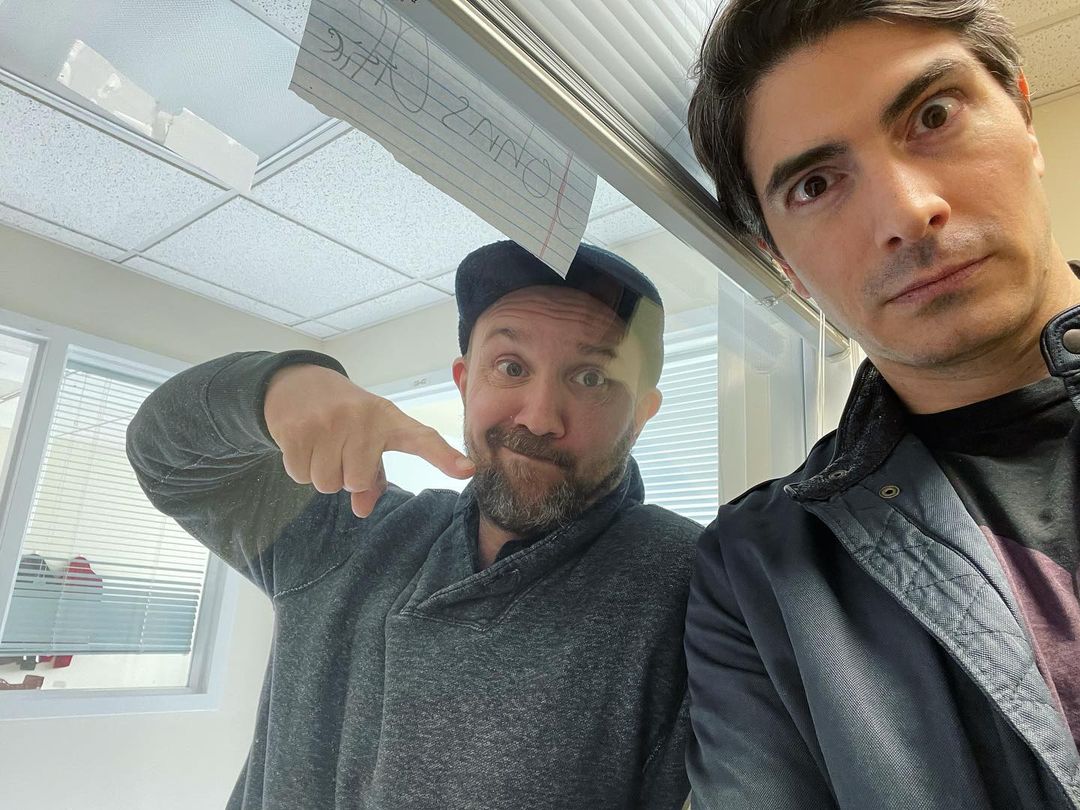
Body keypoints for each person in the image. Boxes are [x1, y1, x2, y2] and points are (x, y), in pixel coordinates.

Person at [126, 240, 699, 810]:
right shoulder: (351, 532)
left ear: (640, 415)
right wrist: (274, 388)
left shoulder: (689, 583)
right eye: (511, 367)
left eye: (592, 378)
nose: (539, 416)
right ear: (465, 382)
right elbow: (166, 461)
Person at [684, 1, 1080, 808]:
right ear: (782, 264)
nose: (906, 213)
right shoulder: (760, 575)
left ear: (1023, 112)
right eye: (816, 184)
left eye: (933, 116)